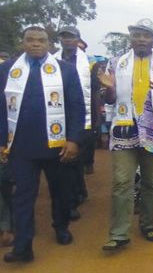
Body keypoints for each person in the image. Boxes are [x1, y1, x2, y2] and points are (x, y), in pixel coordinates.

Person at [0, 26, 85, 263]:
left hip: (57, 145)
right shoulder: (7, 70)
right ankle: (23, 246)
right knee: (23, 196)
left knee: (60, 191)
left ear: (49, 44)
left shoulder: (65, 71)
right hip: (21, 146)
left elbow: (77, 106)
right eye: (30, 40)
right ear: (23, 42)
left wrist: (74, 140)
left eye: (41, 40)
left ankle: (61, 226)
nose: (36, 44)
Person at [98, 19, 153, 251]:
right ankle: (119, 233)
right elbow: (108, 99)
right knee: (121, 182)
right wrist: (110, 89)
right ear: (130, 38)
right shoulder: (115, 63)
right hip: (125, 130)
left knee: (151, 183)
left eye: (146, 35)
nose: (141, 39)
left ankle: (148, 224)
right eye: (136, 35)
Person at [54, 26, 93, 221]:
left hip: (82, 116)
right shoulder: (51, 62)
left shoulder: (89, 64)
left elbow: (94, 92)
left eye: (71, 37)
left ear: (78, 39)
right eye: (64, 37)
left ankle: (78, 192)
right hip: (57, 116)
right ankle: (70, 200)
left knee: (77, 159)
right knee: (63, 161)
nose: (68, 40)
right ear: (60, 39)